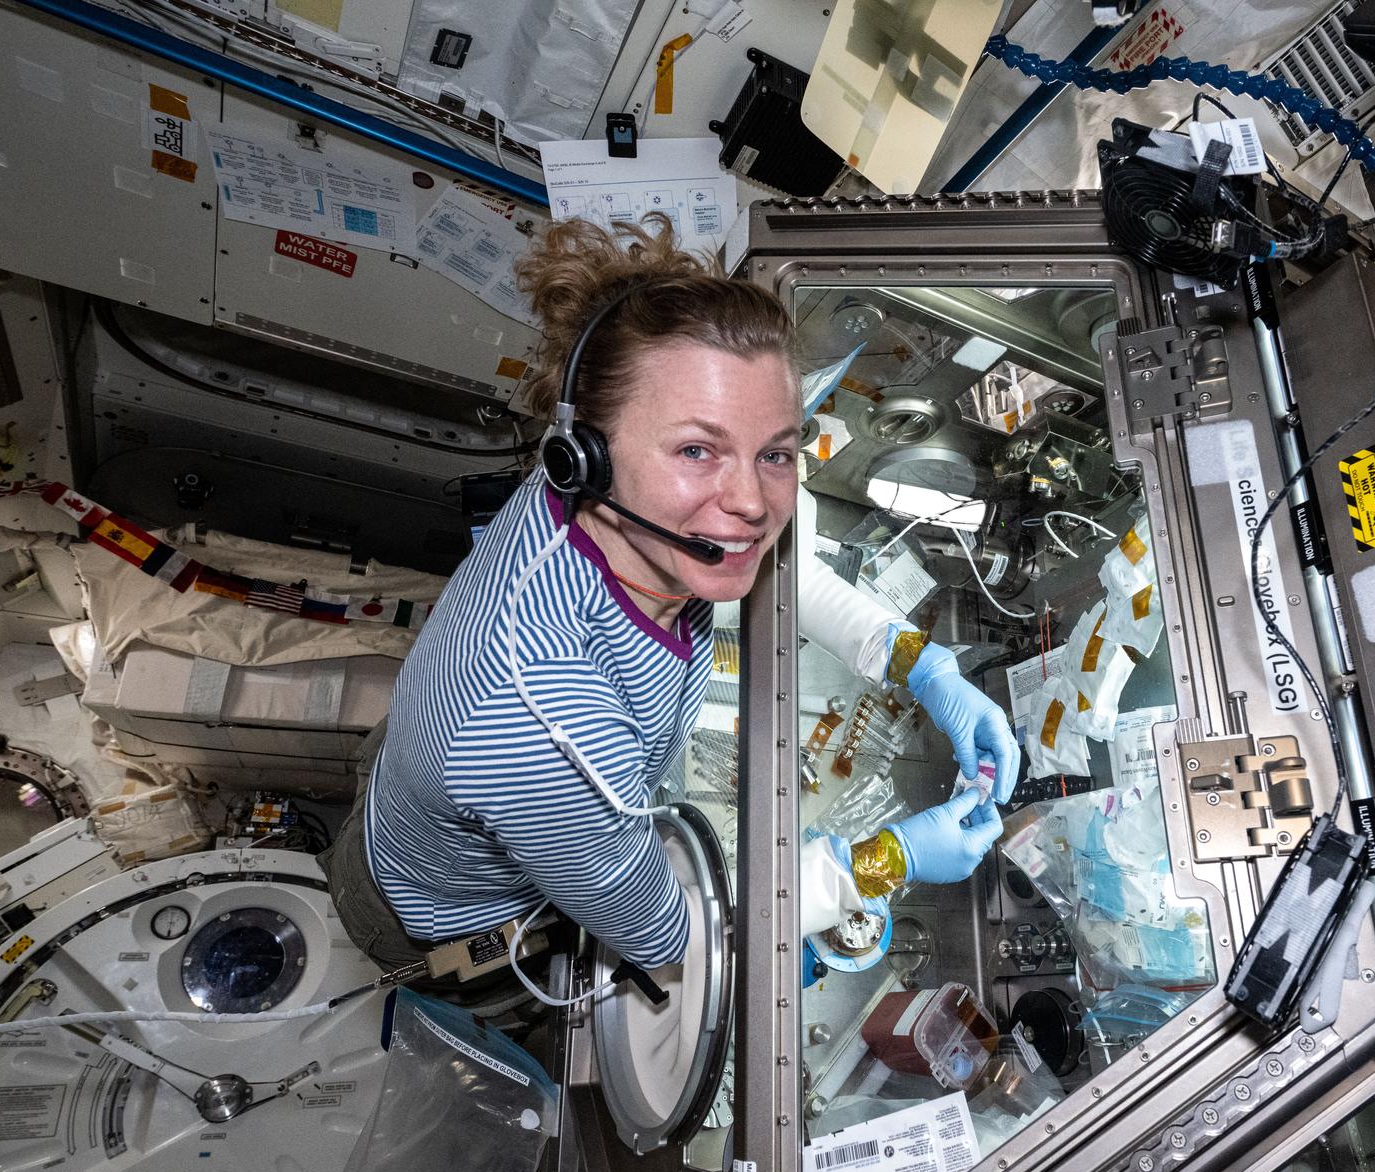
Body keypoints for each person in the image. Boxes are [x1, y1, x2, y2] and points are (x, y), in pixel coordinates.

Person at [318, 215, 1021, 974]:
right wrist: (885, 863)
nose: (751, 501)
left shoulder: (630, 505)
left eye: (775, 452)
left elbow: (784, 566)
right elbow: (669, 939)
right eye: (697, 450)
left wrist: (920, 663)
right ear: (582, 454)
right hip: (446, 915)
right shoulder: (540, 724)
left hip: (431, 778)